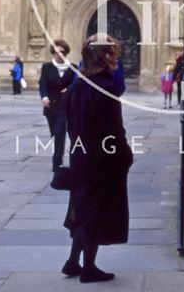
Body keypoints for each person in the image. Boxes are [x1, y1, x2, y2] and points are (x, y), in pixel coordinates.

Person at [62, 34, 133, 283]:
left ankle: (73, 262)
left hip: (80, 155)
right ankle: (89, 268)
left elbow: (70, 125)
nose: (117, 58)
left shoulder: (75, 87)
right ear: (103, 56)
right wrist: (124, 155)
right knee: (95, 210)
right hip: (102, 159)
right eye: (113, 53)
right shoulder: (106, 89)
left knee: (80, 207)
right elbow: (114, 130)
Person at [38, 39, 75, 172]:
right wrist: (44, 97)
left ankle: (57, 164)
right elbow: (42, 84)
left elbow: (77, 83)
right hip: (50, 106)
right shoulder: (46, 67)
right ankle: (58, 156)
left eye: (62, 52)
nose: (59, 54)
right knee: (54, 134)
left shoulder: (73, 68)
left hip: (65, 107)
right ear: (53, 52)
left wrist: (69, 89)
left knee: (60, 133)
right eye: (56, 52)